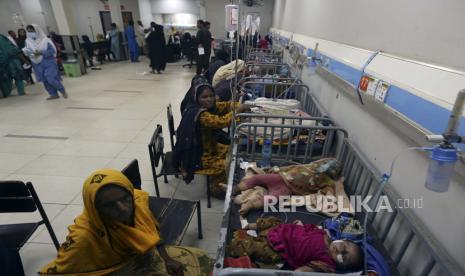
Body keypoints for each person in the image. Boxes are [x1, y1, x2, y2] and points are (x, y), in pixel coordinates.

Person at [39, 169, 214, 275]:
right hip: (115, 270)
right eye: (110, 205)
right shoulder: (84, 238)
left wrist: (166, 258)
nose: (123, 209)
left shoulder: (137, 205)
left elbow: (151, 232)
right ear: (95, 209)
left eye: (125, 199)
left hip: (140, 256)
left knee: (203, 257)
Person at [173, 80, 250, 197]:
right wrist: (239, 111)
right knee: (227, 164)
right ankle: (216, 189)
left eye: (211, 96)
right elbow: (222, 122)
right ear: (196, 98)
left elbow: (225, 106)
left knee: (231, 150)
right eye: (204, 97)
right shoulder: (201, 115)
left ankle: (220, 180)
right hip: (199, 155)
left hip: (209, 147)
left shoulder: (207, 106)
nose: (209, 99)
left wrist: (239, 105)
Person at [229, 217, 364, 273]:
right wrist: (300, 225)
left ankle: (237, 242)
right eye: (345, 246)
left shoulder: (326, 262)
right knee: (273, 220)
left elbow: (305, 271)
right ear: (343, 240)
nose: (340, 250)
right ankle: (250, 226)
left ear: (343, 266)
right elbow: (310, 229)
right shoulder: (325, 234)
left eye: (344, 257)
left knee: (257, 249)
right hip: (281, 230)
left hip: (277, 247)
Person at [23, 24, 68, 100]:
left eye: (32, 31)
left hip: (48, 61)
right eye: (29, 31)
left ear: (37, 30)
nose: (30, 33)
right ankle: (53, 94)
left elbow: (52, 51)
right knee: (45, 80)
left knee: (50, 78)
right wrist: (28, 53)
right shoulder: (27, 41)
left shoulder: (45, 40)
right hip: (36, 63)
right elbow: (27, 51)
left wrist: (41, 52)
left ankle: (62, 90)